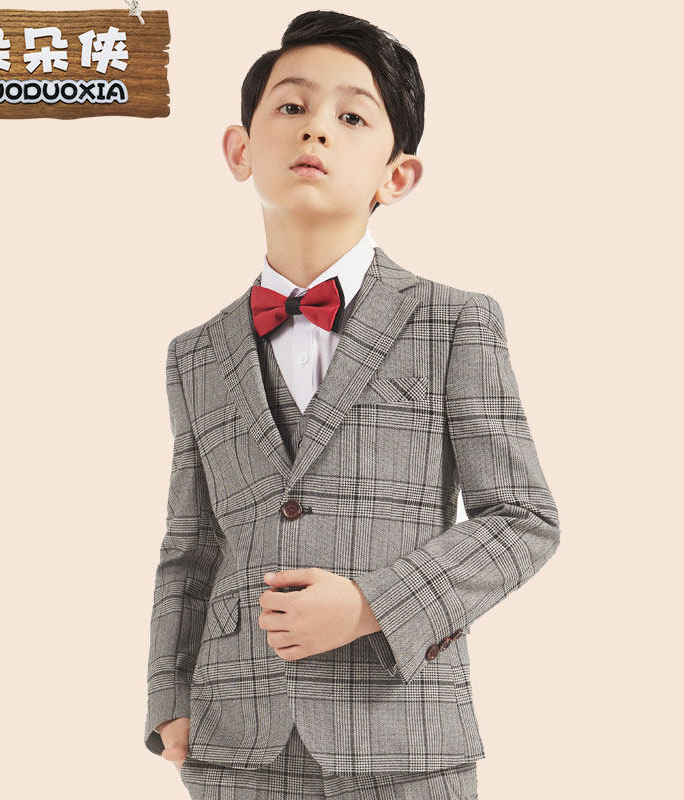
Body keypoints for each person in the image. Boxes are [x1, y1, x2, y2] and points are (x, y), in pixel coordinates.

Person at [144, 9, 561, 799]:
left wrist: (373, 603)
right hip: (234, 739)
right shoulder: (194, 353)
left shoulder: (454, 322)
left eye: (352, 117)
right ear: (240, 150)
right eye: (291, 106)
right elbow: (191, 544)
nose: (316, 130)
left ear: (396, 176)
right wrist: (169, 693)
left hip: (403, 732)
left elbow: (524, 519)